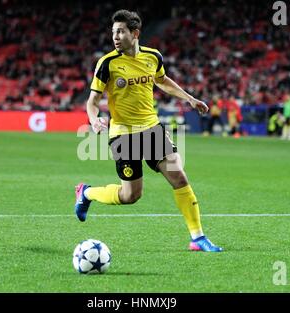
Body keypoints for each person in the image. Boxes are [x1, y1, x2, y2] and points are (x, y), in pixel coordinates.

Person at [74, 10, 222, 252]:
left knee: (179, 175)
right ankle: (87, 193)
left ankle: (197, 237)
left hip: (152, 129)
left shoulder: (153, 57)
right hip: (123, 133)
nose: (116, 37)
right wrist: (94, 119)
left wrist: (189, 98)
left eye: (120, 31)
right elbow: (92, 101)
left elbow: (162, 81)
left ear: (135, 33)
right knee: (130, 195)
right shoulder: (107, 63)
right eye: (113, 32)